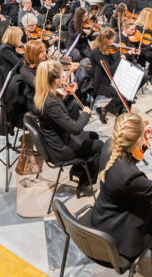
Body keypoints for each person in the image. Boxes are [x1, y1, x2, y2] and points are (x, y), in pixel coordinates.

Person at [91, 113, 152, 276]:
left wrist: (143, 142)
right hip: (122, 235)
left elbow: (130, 158)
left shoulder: (109, 144)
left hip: (103, 218)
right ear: (136, 140)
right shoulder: (131, 177)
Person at [34, 60, 102, 193]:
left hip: (58, 139)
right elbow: (75, 128)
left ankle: (78, 170)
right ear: (55, 80)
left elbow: (59, 115)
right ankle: (85, 182)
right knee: (99, 145)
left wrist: (68, 95)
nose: (62, 80)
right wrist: (85, 114)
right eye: (61, 76)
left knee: (93, 135)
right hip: (60, 149)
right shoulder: (51, 103)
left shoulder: (43, 94)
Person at [89, 27, 132, 124]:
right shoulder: (96, 52)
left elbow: (113, 65)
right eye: (113, 39)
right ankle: (103, 110)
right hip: (101, 82)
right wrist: (122, 57)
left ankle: (120, 112)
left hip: (111, 79)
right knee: (124, 94)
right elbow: (111, 70)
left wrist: (121, 55)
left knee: (129, 89)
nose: (114, 41)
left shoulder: (107, 49)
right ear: (107, 40)